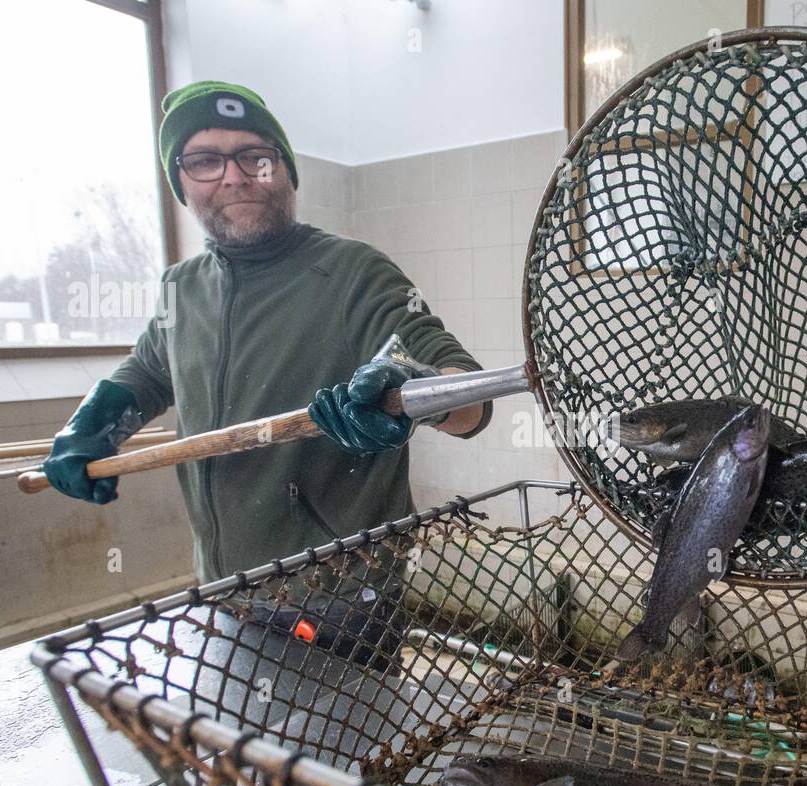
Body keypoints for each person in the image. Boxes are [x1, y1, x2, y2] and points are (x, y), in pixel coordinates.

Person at [43, 81, 492, 671]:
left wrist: (406, 391)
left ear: (284, 171)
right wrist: (93, 424)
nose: (235, 176)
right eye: (205, 160)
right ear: (181, 183)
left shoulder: (352, 271)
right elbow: (151, 370)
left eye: (256, 155)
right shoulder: (181, 285)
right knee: (244, 749)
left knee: (352, 755)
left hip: (337, 592)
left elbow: (470, 399)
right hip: (223, 582)